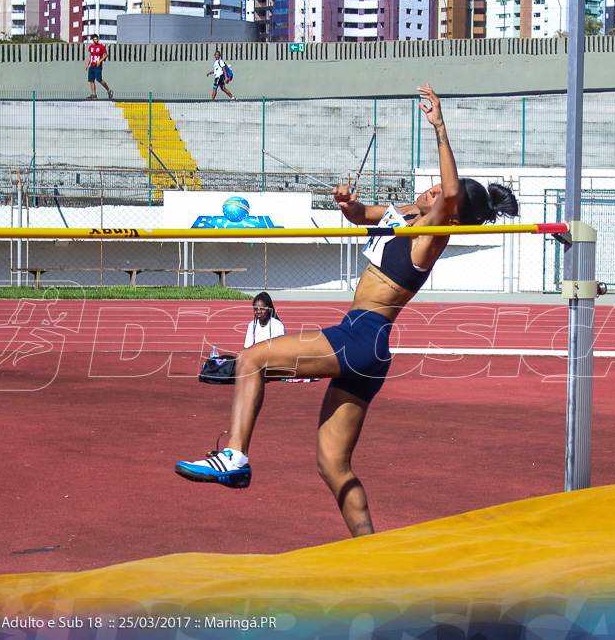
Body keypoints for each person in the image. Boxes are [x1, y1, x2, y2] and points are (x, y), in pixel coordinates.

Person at [175, 83, 518, 537]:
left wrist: (439, 127)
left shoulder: (433, 235)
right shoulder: (403, 218)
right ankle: (368, 548)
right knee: (332, 463)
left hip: (361, 335)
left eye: (437, 192)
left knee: (251, 358)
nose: (432, 189)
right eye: (434, 186)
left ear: (449, 212)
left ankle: (235, 456)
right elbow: (360, 215)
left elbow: (453, 194)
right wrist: (347, 203)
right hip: (369, 349)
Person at [85, 34, 113, 100]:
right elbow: (90, 56)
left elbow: (106, 55)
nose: (96, 40)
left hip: (98, 66)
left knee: (99, 79)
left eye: (97, 39)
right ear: (93, 40)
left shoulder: (101, 46)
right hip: (92, 65)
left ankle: (109, 91)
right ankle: (94, 94)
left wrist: (100, 61)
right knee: (91, 80)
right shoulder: (91, 47)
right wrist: (87, 64)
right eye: (95, 39)